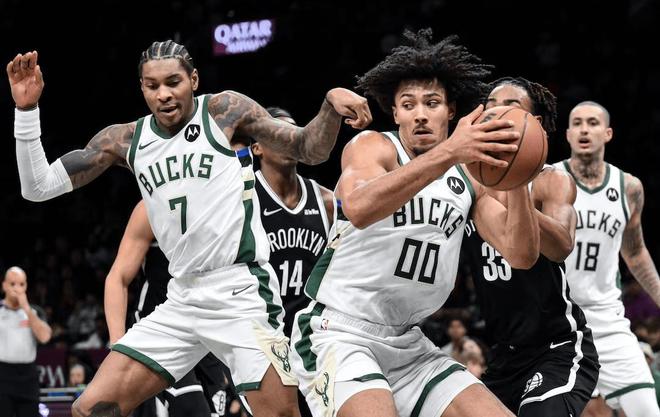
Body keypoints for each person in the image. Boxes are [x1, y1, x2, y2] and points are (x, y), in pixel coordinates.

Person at [7, 40, 372, 417]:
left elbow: (309, 149)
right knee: (91, 408)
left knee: (281, 413)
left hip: (239, 292)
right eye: (152, 86)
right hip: (181, 297)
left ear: (193, 80)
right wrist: (26, 110)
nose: (163, 94)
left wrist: (330, 105)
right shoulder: (126, 139)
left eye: (173, 82)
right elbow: (38, 187)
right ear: (142, 88)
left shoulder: (223, 111)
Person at [290, 29, 540, 417]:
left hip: (408, 343)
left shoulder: (469, 177)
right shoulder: (374, 147)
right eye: (408, 105)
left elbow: (521, 254)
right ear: (395, 114)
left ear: (451, 111)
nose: (420, 113)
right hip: (339, 333)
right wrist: (450, 151)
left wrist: (518, 176)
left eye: (432, 103)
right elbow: (358, 207)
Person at [460, 77, 599, 417]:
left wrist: (516, 187)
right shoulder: (464, 182)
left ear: (533, 124)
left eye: (510, 107)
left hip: (557, 347)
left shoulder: (551, 180)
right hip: (502, 355)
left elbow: (561, 246)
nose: (497, 113)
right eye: (491, 107)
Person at [554, 101, 660, 417]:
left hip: (607, 320)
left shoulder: (629, 188)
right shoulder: (548, 179)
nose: (584, 129)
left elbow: (635, 252)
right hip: (556, 320)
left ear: (608, 133)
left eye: (592, 123)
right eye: (577, 123)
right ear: (568, 134)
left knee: (647, 410)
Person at [105, 201, 238, 417]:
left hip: (208, 327)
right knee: (193, 409)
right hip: (161, 329)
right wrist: (116, 347)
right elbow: (118, 278)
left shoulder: (220, 201)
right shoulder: (151, 207)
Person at [252, 106, 335, 417]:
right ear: (256, 147)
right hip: (263, 335)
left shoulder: (326, 201)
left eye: (294, 132)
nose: (288, 139)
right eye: (276, 133)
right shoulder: (241, 198)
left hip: (313, 336)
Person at [0, 266, 52, 417]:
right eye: (12, 284)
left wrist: (26, 308)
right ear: (4, 285)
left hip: (28, 376)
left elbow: (45, 337)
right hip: (2, 374)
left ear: (26, 286)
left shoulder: (34, 312)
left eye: (21, 284)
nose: (17, 288)